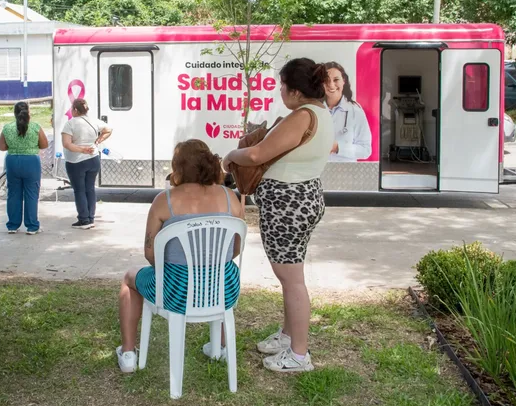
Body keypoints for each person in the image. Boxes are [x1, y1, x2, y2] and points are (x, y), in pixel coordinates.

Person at [222, 58, 334, 373]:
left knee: (291, 279)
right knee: (290, 277)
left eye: (283, 84)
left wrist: (230, 156)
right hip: (302, 199)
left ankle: (299, 355)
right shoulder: (321, 114)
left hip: (288, 204)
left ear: (296, 91)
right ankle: (288, 336)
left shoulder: (301, 116)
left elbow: (258, 154)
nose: (280, 90)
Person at [116, 140, 243, 374]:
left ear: (178, 167)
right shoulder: (230, 198)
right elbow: (235, 249)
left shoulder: (164, 200)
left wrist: (173, 268)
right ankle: (222, 347)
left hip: (175, 291)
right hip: (224, 288)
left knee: (129, 280)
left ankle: (128, 354)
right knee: (225, 270)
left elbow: (150, 253)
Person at [0, 102, 48, 234]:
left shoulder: (7, 128)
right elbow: (44, 145)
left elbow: (1, 147)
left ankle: (13, 225)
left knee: (13, 193)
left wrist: (14, 147)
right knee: (31, 194)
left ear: (14, 113)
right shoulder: (35, 127)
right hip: (31, 161)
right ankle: (32, 226)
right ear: (28, 112)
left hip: (13, 161)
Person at [61, 98, 112, 230]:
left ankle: (84, 220)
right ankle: (91, 218)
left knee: (79, 190)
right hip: (93, 159)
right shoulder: (94, 121)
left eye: (72, 108)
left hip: (76, 161)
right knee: (90, 188)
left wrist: (81, 149)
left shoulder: (70, 124)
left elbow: (66, 144)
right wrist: (98, 140)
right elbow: (109, 129)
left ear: (76, 110)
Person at [324, 62, 372, 163]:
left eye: (336, 80)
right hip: (317, 172)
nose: (331, 85)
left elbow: (366, 150)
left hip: (346, 173)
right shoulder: (315, 110)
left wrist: (338, 147)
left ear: (343, 81)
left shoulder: (356, 112)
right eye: (326, 80)